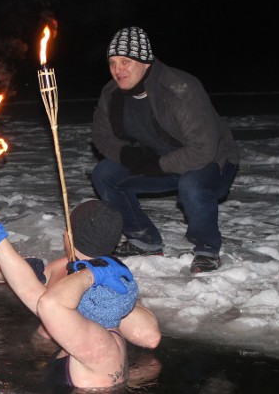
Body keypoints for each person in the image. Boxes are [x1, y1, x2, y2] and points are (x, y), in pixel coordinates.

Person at [91, 26, 239, 273]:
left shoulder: (180, 89)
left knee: (192, 186)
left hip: (211, 163)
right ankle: (144, 238)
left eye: (126, 61)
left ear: (146, 61)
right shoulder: (112, 94)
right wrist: (128, 155)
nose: (118, 70)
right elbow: (101, 136)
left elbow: (203, 149)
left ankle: (207, 248)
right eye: (112, 62)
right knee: (104, 174)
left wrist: (157, 165)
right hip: (159, 159)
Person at [0, 201, 139, 389]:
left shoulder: (100, 346)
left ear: (69, 235)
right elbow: (28, 287)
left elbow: (48, 303)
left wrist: (89, 274)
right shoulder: (94, 324)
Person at [44, 199, 161, 350]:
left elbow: (151, 338)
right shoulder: (59, 267)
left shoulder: (110, 280)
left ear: (70, 236)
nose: (63, 234)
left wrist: (106, 304)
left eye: (66, 229)